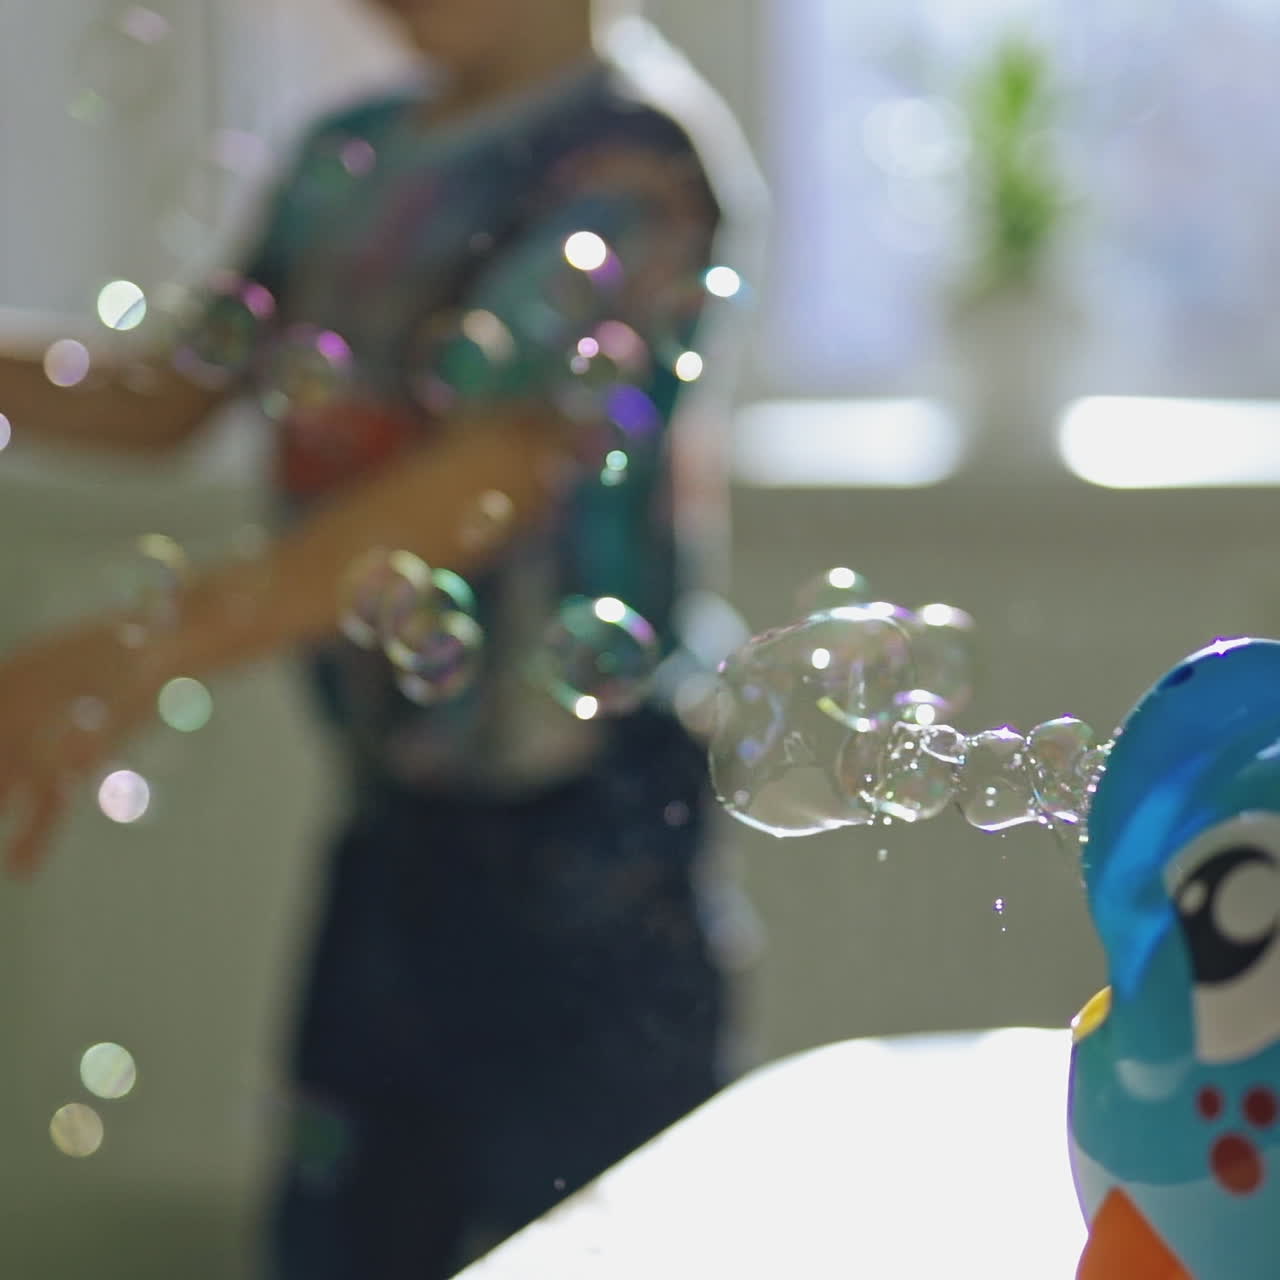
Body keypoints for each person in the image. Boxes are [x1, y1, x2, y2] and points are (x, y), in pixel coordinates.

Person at [0, 1, 763, 1275]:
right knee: (346, 1236)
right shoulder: (343, 153)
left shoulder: (637, 166)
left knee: (592, 1237)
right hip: (393, 814)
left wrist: (148, 640)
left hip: (593, 826)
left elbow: (499, 466)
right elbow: (171, 390)